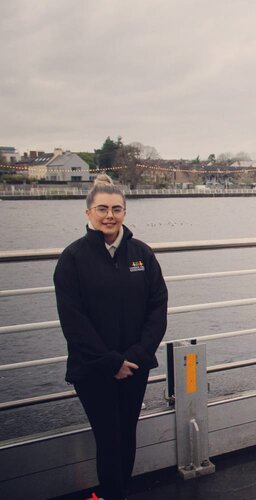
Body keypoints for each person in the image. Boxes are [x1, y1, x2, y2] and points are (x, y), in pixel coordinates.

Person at [54, 174, 168, 499]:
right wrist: (112, 362)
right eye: (102, 208)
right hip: (94, 369)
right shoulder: (73, 259)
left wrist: (137, 355)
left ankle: (118, 493)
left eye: (116, 209)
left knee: (127, 434)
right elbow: (74, 322)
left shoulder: (142, 254)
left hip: (135, 365)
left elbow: (158, 305)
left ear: (125, 213)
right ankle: (111, 494)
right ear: (88, 213)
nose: (109, 215)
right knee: (109, 437)